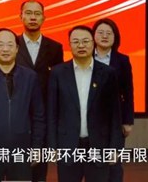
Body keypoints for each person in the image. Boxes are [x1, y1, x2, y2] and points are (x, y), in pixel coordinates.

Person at [47, 25, 122, 182]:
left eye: (85, 41)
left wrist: (115, 147)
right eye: (76, 42)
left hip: (98, 145)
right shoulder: (58, 73)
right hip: (68, 145)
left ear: (93, 43)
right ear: (70, 45)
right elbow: (52, 112)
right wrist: (52, 146)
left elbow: (115, 114)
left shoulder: (108, 73)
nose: (81, 45)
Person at [0, 28, 45, 181]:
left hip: (22, 151)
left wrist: (37, 147)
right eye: (0, 45)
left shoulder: (30, 77)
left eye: (10, 45)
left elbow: (38, 116)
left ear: (17, 49)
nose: (5, 49)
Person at [16, 0, 63, 182]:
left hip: (43, 118)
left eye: (37, 14)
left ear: (44, 18)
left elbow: (58, 85)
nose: (33, 17)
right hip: (17, 115)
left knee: (39, 172)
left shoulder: (55, 48)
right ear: (20, 16)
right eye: (28, 13)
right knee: (17, 171)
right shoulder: (11, 44)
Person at [92, 18, 134, 182]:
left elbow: (128, 92)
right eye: (101, 32)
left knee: (114, 163)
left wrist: (128, 121)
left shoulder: (122, 60)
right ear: (93, 36)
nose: (104, 36)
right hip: (89, 118)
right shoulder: (85, 57)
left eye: (109, 33)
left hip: (114, 119)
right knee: (93, 163)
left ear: (115, 37)